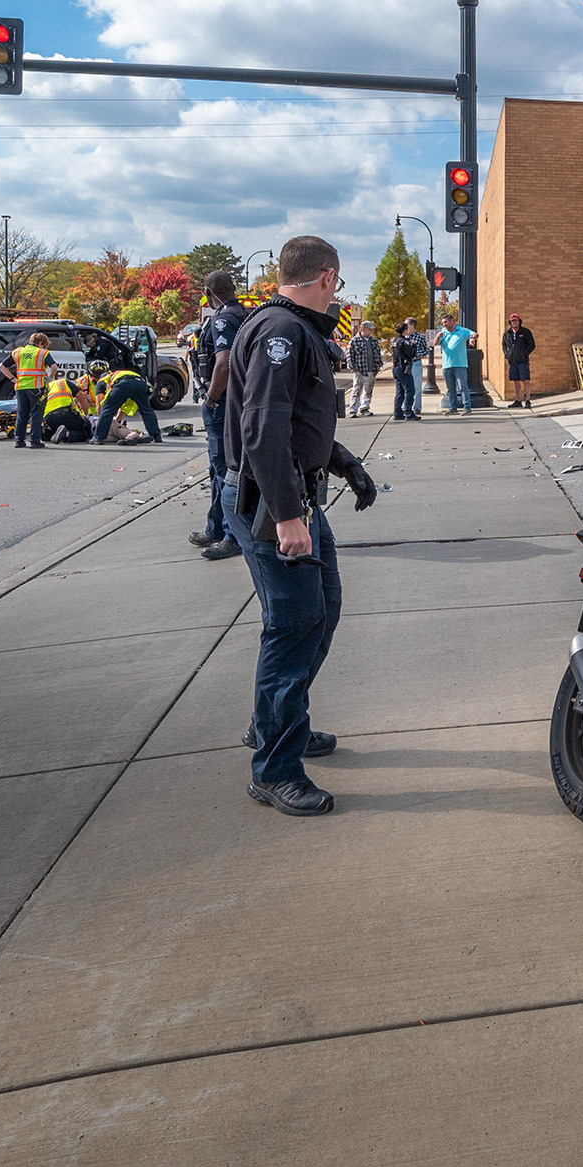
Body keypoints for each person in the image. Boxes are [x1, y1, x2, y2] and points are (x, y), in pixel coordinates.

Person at [223, 235, 379, 818]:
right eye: (337, 283)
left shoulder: (287, 329)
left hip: (294, 497)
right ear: (328, 277)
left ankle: (278, 722)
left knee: (322, 610)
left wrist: (347, 464)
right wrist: (289, 517)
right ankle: (275, 767)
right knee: (293, 628)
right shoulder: (282, 334)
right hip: (274, 505)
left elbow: (298, 423)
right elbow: (263, 430)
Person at [192, 272, 247, 559]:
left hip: (223, 402)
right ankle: (215, 527)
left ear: (208, 292)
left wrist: (211, 398)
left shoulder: (224, 318)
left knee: (226, 469)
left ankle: (232, 535)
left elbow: (223, 363)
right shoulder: (243, 313)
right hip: (234, 400)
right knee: (217, 469)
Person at [93, 361, 162, 444]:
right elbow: (124, 407)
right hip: (141, 383)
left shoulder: (102, 381)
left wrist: (100, 418)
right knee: (146, 410)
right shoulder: (120, 373)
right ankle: (156, 436)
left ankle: (98, 438)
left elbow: (100, 404)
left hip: (123, 384)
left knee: (107, 409)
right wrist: (117, 419)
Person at [7, 331, 52, 449]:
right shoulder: (43, 353)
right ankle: (35, 441)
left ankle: (19, 440)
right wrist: (49, 378)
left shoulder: (18, 351)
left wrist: (13, 378)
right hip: (37, 387)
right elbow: (54, 366)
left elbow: (2, 366)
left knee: (22, 414)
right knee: (36, 415)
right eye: (44, 344)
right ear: (41, 343)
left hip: (21, 387)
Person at [435, 313, 477, 414]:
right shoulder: (443, 333)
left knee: (463, 387)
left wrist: (472, 338)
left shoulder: (462, 331)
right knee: (451, 388)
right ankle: (453, 408)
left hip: (460, 364)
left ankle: (467, 407)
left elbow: (475, 334)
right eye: (442, 323)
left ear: (452, 321)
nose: (444, 325)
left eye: (445, 322)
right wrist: (437, 336)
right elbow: (434, 343)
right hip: (447, 365)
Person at [41, 373, 93, 443]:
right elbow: (81, 397)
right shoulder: (63, 382)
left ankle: (48, 434)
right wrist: (86, 415)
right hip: (66, 413)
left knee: (54, 429)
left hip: (49, 417)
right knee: (85, 432)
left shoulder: (43, 389)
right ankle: (66, 434)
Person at [392, 318, 427, 420]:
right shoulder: (404, 342)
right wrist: (414, 345)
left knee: (400, 391)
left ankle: (398, 413)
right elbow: (411, 353)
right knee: (410, 390)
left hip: (397, 367)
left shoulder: (396, 340)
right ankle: (408, 413)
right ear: (405, 330)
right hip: (404, 368)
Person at [347, 320, 383, 416]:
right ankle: (353, 409)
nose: (371, 331)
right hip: (360, 370)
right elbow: (349, 355)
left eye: (372, 329)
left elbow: (378, 354)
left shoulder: (374, 341)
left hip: (372, 370)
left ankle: (365, 408)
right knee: (357, 390)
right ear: (363, 329)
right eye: (369, 329)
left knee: (368, 390)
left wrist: (379, 365)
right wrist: (353, 367)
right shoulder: (354, 341)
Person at [502, 314, 536, 409]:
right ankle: (517, 400)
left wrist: (524, 353)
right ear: (510, 322)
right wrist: (507, 354)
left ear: (519, 321)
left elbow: (532, 344)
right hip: (512, 361)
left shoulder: (525, 332)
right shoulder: (507, 333)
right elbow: (504, 345)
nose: (514, 322)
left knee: (525, 380)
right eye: (513, 321)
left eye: (516, 320)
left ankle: (528, 400)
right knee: (516, 381)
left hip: (523, 361)